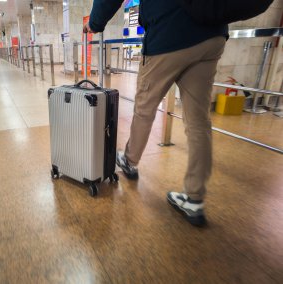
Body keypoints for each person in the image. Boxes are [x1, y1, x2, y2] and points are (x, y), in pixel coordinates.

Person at [84, 0, 228, 226]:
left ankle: (130, 161)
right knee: (199, 121)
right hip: (213, 34)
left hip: (169, 33)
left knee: (145, 108)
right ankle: (194, 199)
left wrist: (95, 22)